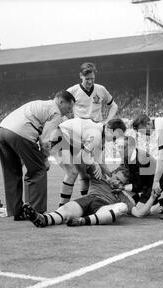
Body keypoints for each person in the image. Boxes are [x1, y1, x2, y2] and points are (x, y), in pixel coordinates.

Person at [0, 90, 75, 220]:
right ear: (61, 102)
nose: (69, 111)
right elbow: (45, 139)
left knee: (12, 173)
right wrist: (44, 159)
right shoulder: (55, 112)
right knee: (38, 170)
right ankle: (34, 211)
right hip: (21, 133)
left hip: (1, 131)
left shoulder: (40, 104)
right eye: (69, 107)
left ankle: (16, 211)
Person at [59, 62, 120, 206]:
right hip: (79, 133)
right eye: (87, 79)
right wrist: (68, 121)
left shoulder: (101, 89)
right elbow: (60, 107)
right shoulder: (73, 91)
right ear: (81, 76)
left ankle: (87, 201)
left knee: (91, 170)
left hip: (97, 131)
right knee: (82, 171)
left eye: (92, 78)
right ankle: (81, 203)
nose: (90, 82)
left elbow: (114, 105)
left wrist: (108, 121)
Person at [22, 165, 162, 228]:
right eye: (117, 178)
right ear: (112, 173)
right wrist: (95, 163)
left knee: (122, 208)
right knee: (66, 209)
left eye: (121, 182)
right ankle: (42, 219)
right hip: (88, 200)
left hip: (102, 208)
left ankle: (82, 221)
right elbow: (83, 161)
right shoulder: (99, 176)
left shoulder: (121, 195)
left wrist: (153, 197)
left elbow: (139, 213)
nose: (117, 183)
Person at [54, 117, 127, 207]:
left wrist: (110, 176)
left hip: (70, 139)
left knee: (85, 174)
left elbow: (100, 161)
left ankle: (86, 203)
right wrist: (95, 164)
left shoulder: (101, 134)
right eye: (114, 137)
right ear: (108, 128)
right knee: (72, 173)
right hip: (61, 135)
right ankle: (62, 208)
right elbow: (84, 156)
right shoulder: (96, 135)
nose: (114, 141)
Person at [116, 135, 163, 217]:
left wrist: (123, 187)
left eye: (123, 147)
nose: (119, 150)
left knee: (140, 211)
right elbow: (122, 172)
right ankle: (146, 202)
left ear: (132, 147)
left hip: (154, 181)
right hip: (144, 179)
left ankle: (158, 206)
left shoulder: (141, 160)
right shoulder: (127, 155)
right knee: (123, 183)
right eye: (118, 147)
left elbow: (139, 186)